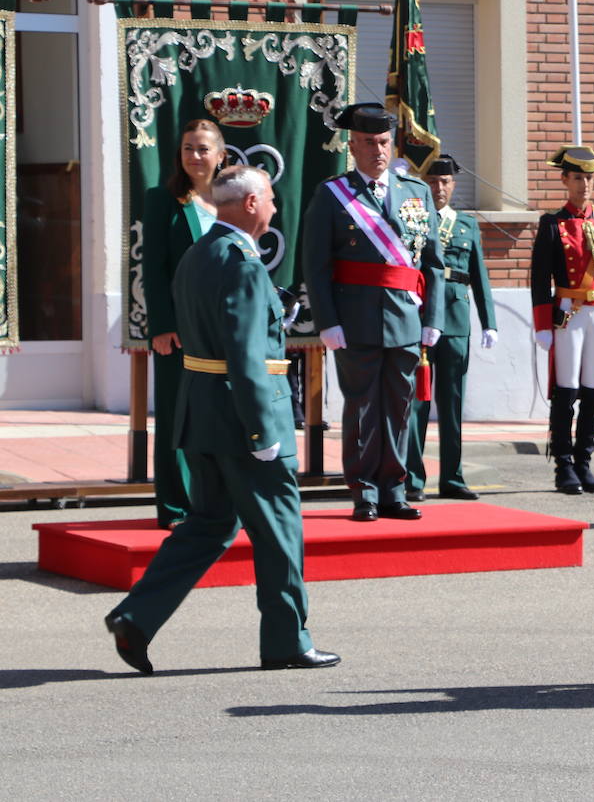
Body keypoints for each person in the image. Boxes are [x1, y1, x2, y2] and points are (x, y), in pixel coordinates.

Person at [104, 165, 339, 674]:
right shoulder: (243, 264)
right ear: (252, 203)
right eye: (271, 199)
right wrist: (263, 432)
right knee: (279, 532)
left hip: (202, 414)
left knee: (206, 527)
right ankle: (286, 641)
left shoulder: (200, 253)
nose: (276, 208)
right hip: (244, 419)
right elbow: (247, 354)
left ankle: (136, 617)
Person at [302, 103, 444, 522]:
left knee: (400, 408)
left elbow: (432, 263)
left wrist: (432, 319)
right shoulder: (332, 194)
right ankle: (363, 490)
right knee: (362, 408)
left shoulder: (415, 192)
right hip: (354, 319)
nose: (377, 151)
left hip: (405, 317)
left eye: (383, 143)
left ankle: (394, 490)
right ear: (353, 145)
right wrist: (327, 321)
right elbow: (315, 264)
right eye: (368, 143)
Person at [530, 145, 594, 495]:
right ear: (565, 181)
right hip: (569, 312)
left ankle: (584, 461)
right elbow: (540, 279)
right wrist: (542, 325)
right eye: (578, 178)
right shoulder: (553, 223)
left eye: (589, 178)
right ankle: (564, 465)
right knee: (566, 390)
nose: (584, 184)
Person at [143, 119, 226, 528]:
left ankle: (215, 502)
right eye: (188, 148)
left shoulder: (231, 201)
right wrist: (161, 325)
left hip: (224, 328)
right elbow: (153, 268)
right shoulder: (164, 200)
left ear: (220, 155)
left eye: (203, 149)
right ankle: (176, 507)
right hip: (179, 328)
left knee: (221, 415)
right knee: (177, 416)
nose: (195, 156)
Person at [404, 154, 498, 502]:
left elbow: (480, 276)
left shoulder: (466, 224)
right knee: (417, 404)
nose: (438, 188)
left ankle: (453, 478)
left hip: (457, 319)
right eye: (431, 181)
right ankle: (413, 479)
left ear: (453, 185)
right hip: (421, 317)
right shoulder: (411, 219)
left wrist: (490, 322)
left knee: (453, 402)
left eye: (444, 182)